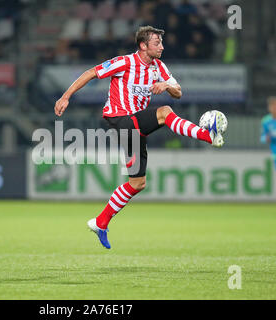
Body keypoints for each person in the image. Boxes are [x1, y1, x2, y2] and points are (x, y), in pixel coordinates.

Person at [54, 26, 226, 249]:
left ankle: (100, 222)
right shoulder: (124, 62)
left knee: (137, 183)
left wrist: (166, 85)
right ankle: (205, 135)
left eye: (162, 43)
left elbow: (179, 91)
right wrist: (65, 97)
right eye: (157, 43)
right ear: (143, 46)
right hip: (120, 119)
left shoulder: (159, 67)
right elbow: (91, 72)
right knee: (164, 112)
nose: (162, 47)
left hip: (134, 126)